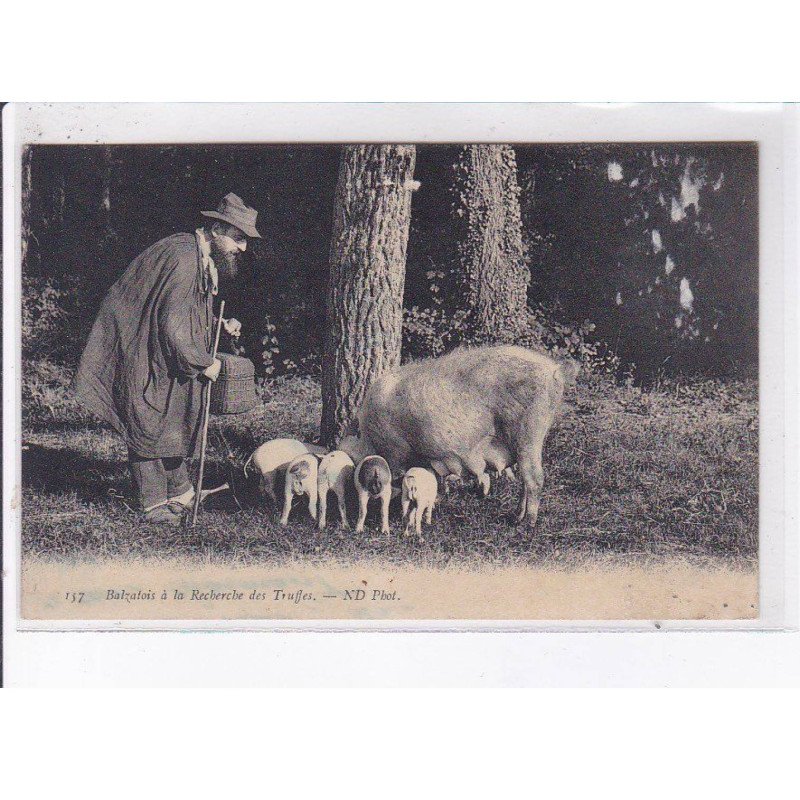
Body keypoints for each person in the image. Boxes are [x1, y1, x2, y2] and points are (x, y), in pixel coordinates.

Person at [75, 193, 262, 525]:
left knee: (173, 415)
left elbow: (181, 310)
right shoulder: (184, 259)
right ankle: (154, 506)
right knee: (148, 419)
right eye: (239, 238)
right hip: (138, 346)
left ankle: (181, 492)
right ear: (218, 229)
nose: (243, 248)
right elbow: (171, 326)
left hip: (158, 347)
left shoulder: (195, 252)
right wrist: (205, 362)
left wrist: (217, 323)